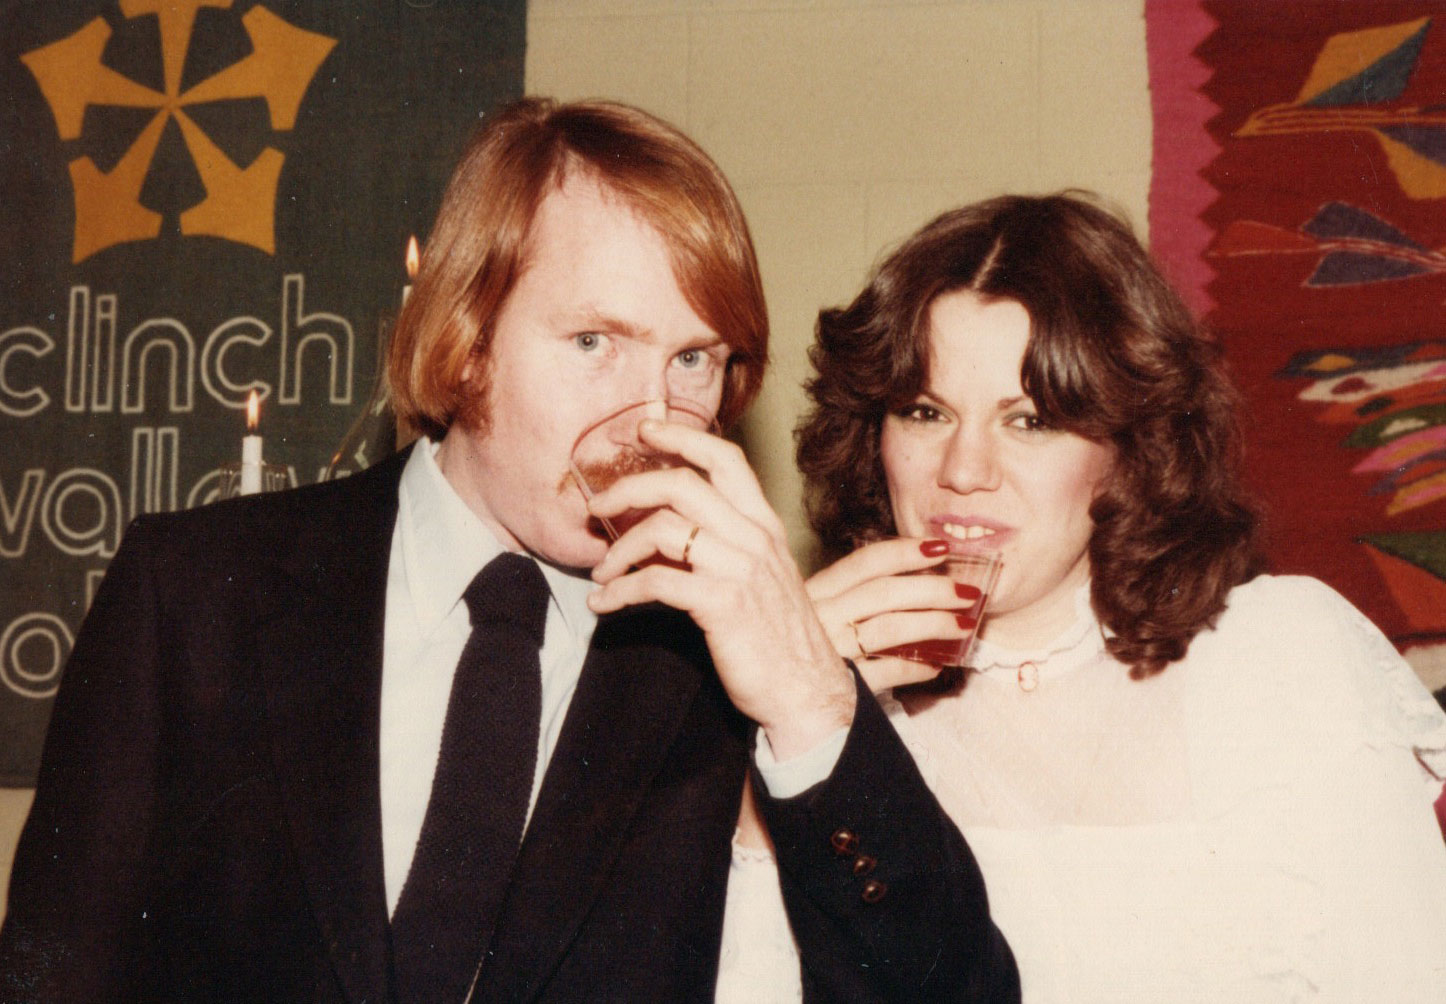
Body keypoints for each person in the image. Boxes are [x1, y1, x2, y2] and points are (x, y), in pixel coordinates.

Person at [0, 99, 1018, 1002]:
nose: (650, 416)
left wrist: (811, 701)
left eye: (694, 358)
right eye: (593, 343)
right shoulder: (195, 596)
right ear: (467, 332)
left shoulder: (722, 667)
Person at [721, 192, 1446, 1001]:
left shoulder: (1284, 660)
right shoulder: (824, 726)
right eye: (926, 412)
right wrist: (793, 747)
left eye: (1028, 420)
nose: (963, 471)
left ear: (1130, 447)